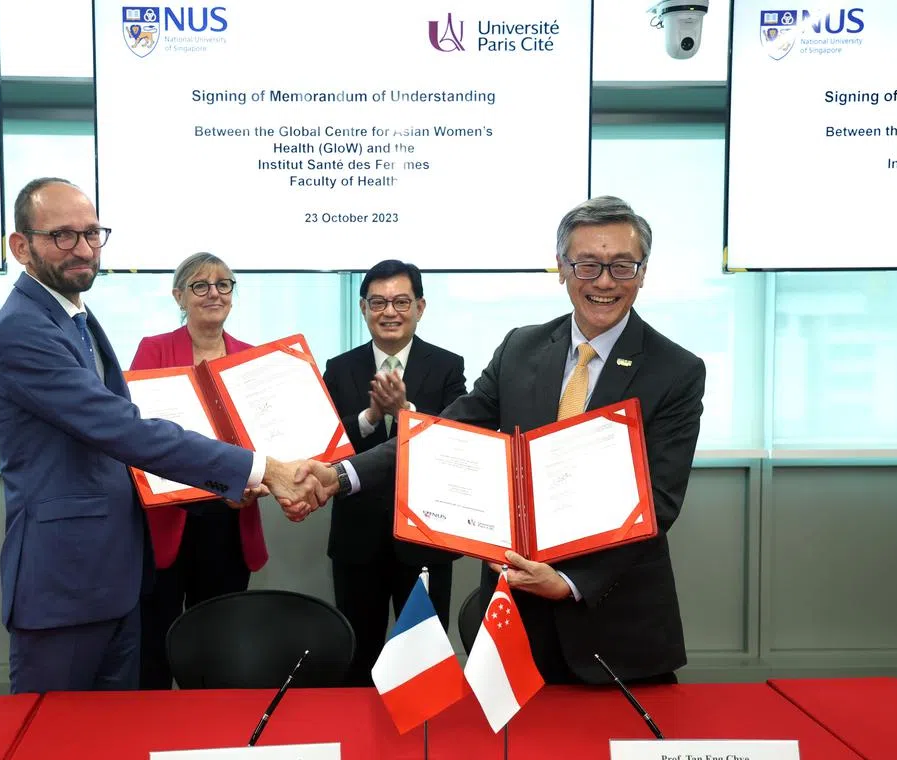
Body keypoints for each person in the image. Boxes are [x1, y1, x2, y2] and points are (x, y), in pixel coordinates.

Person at [297, 196, 706, 685]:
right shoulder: (520, 348)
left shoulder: (676, 370)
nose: (603, 281)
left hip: (615, 624)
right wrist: (340, 475)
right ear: (561, 268)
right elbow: (443, 432)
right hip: (516, 621)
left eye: (622, 266)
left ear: (642, 272)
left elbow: (659, 500)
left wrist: (571, 582)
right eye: (587, 264)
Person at [0, 177, 322, 694]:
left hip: (112, 574)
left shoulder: (75, 317)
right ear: (21, 246)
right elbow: (122, 427)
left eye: (92, 234)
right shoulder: (23, 329)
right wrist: (263, 469)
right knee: (56, 735)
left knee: (120, 731)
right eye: (63, 236)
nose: (83, 249)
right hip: (68, 579)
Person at [322, 259, 466, 686]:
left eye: (401, 301)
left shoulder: (448, 367)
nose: (390, 312)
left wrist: (405, 412)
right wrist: (370, 415)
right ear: (363, 308)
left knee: (424, 664)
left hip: (426, 538)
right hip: (356, 539)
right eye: (379, 302)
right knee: (357, 658)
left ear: (420, 307)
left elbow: (457, 442)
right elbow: (328, 442)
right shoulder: (339, 367)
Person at [128, 252, 268, 689]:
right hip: (169, 519)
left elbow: (264, 439)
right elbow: (136, 433)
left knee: (218, 643)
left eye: (224, 284)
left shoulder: (251, 358)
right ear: (179, 296)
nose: (214, 293)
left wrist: (258, 478)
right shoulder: (154, 349)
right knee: (156, 641)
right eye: (200, 285)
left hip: (229, 516)